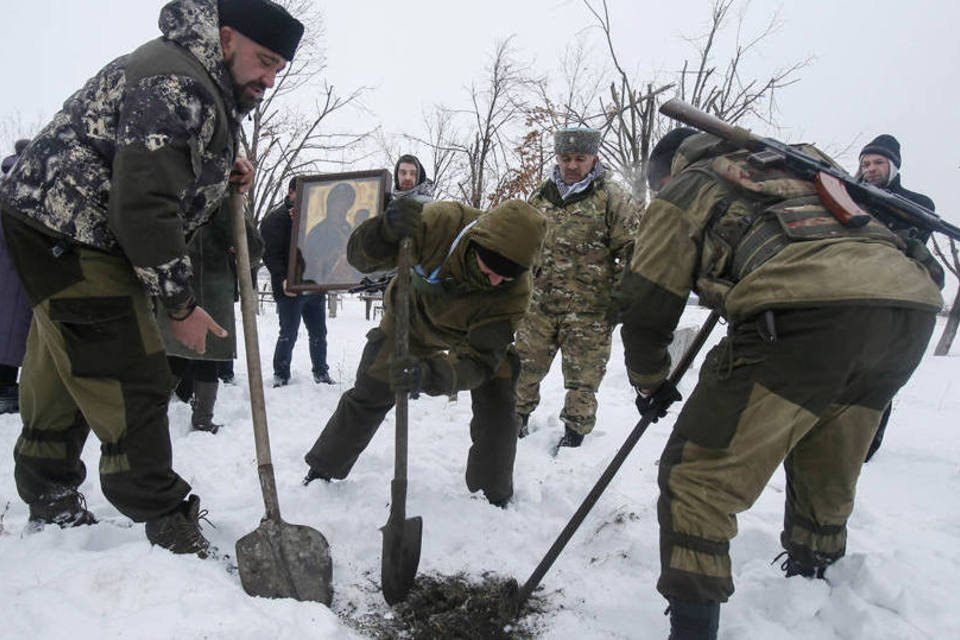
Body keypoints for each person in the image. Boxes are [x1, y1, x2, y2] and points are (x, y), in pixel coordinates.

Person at [0, 0, 303, 557]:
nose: (268, 79)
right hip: (75, 231)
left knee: (66, 360)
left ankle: (48, 492)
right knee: (127, 370)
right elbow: (143, 206)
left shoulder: (198, 77)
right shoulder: (176, 81)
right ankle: (163, 516)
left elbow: (161, 162)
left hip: (53, 222)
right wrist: (180, 308)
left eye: (277, 69)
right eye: (264, 62)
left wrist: (219, 164)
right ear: (227, 38)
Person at [617, 130, 943, 639]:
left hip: (806, 315)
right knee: (828, 455)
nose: (658, 193)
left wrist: (649, 379)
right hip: (906, 312)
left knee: (697, 482)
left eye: (657, 185)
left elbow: (647, 299)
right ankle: (817, 588)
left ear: (669, 171)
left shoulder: (689, 188)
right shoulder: (801, 166)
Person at [303, 197, 547, 506]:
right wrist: (384, 232)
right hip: (409, 320)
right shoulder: (439, 223)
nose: (497, 279)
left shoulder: (515, 293)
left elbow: (479, 360)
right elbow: (360, 259)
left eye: (507, 275)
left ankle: (492, 495)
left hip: (470, 338)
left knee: (499, 401)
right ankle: (322, 470)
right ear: (476, 243)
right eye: (490, 269)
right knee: (370, 391)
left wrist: (432, 374)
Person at [514, 126, 641, 449]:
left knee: (583, 381)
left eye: (580, 159)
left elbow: (632, 252)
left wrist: (618, 299)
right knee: (522, 370)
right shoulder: (540, 197)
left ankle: (574, 439)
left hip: (589, 311)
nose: (571, 165)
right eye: (565, 158)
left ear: (594, 158)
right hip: (539, 306)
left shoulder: (612, 197)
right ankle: (514, 423)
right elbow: (524, 245)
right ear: (557, 158)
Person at [855, 133, 937, 462]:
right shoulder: (848, 193)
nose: (870, 168)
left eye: (878, 163)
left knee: (877, 373)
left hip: (890, 294)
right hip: (851, 290)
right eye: (865, 163)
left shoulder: (918, 203)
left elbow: (911, 245)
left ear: (893, 166)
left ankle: (867, 443)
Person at [158, 200, 262, 433]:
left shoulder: (172, 185)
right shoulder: (221, 197)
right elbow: (252, 248)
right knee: (203, 357)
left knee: (174, 357)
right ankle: (201, 419)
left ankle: (149, 415)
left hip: (174, 286)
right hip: (207, 290)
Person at [259, 177, 334, 386]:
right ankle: (281, 374)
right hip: (289, 288)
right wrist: (283, 279)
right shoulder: (274, 220)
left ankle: (321, 371)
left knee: (319, 332)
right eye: (300, 192)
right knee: (288, 332)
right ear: (291, 192)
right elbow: (271, 255)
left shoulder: (314, 219)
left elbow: (324, 249)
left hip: (313, 284)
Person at [0, 139, 33, 414]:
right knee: (12, 331)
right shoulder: (29, 187)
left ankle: (6, 386)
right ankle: (7, 391)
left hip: (5, 268)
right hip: (19, 268)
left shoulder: (5, 183)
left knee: (5, 329)